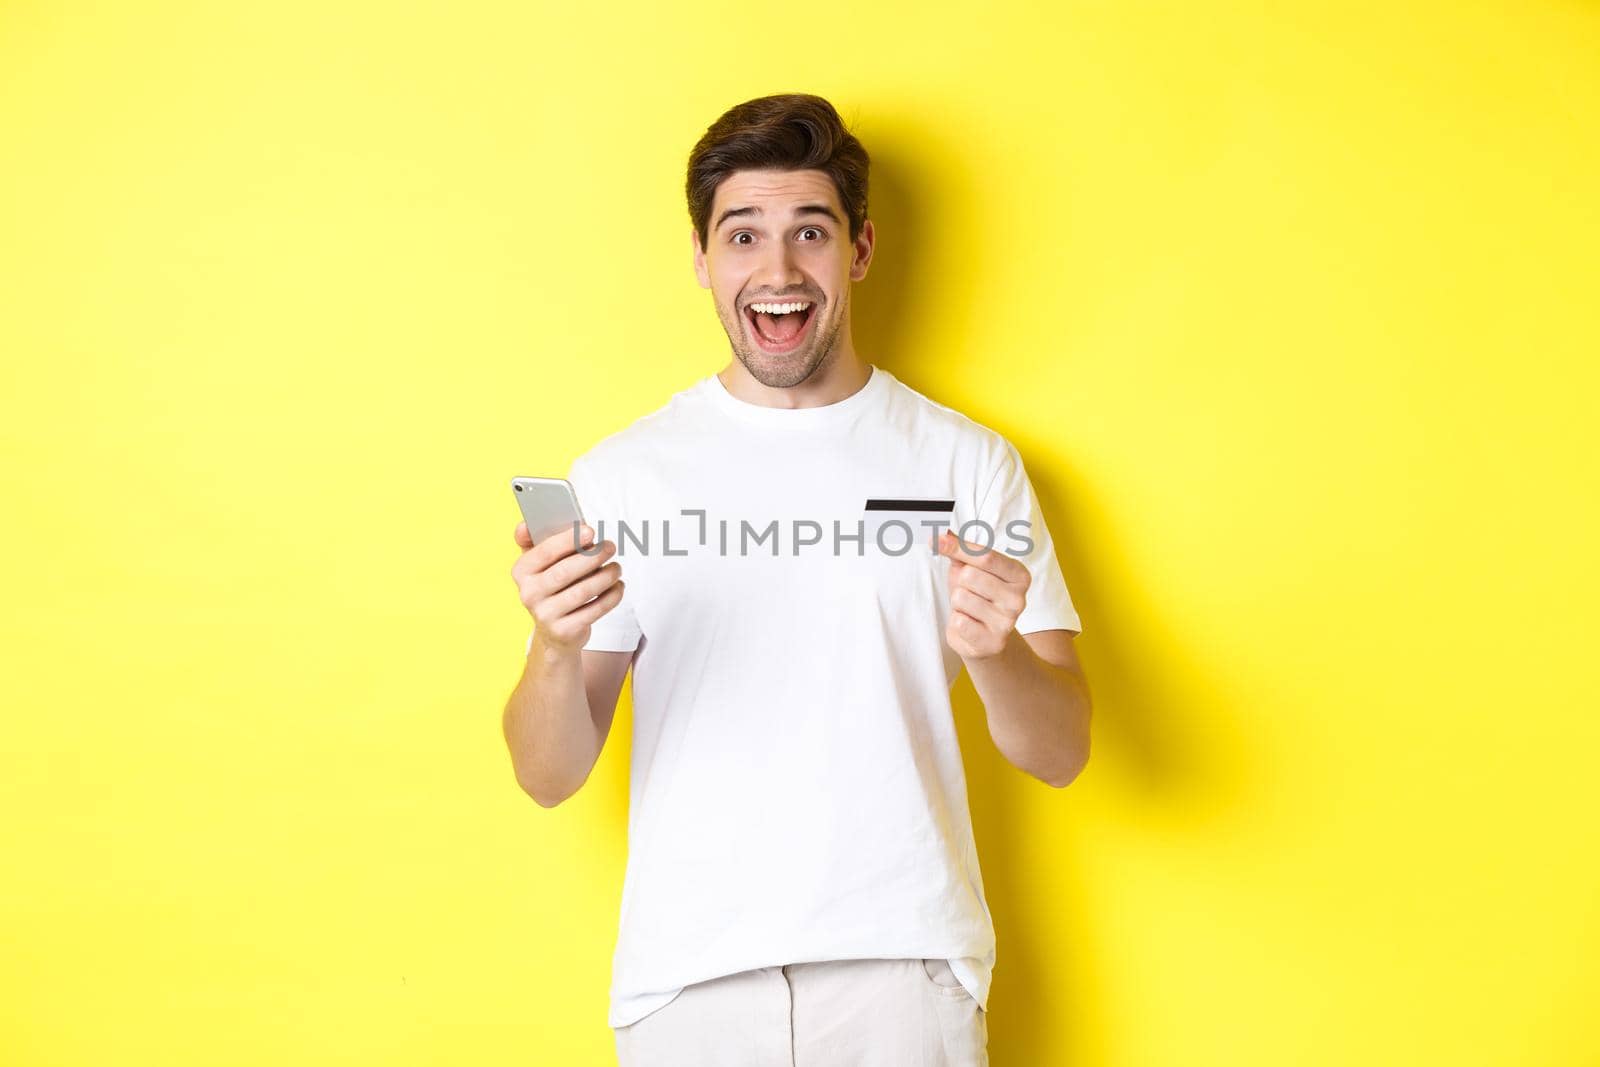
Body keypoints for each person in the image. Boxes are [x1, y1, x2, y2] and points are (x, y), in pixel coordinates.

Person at [502, 92, 1092, 1067]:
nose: (777, 271)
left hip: (903, 971)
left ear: (856, 250)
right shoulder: (623, 475)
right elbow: (546, 771)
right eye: (743, 235)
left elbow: (1061, 748)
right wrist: (558, 649)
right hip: (689, 982)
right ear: (702, 257)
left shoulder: (964, 464)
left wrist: (993, 656)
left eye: (808, 232)